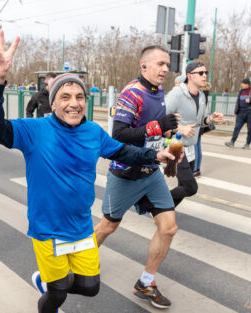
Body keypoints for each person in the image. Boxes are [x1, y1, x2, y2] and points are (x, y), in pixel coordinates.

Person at [0, 31, 180, 313]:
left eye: (79, 96)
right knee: (58, 291)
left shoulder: (92, 132)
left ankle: (47, 281)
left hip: (82, 227)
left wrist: (154, 154)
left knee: (90, 286)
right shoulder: (34, 130)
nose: (74, 103)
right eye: (65, 97)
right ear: (53, 102)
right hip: (49, 229)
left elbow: (122, 151)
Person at [93, 45, 181, 309]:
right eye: (160, 64)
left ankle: (146, 282)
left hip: (151, 171)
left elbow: (148, 132)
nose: (165, 69)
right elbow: (118, 134)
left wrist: (167, 136)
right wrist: (158, 126)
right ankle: (80, 259)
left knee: (169, 227)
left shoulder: (159, 90)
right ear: (144, 66)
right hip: (126, 173)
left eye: (167, 64)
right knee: (108, 227)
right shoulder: (132, 93)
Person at [165, 62, 224, 207]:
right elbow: (160, 119)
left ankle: (164, 212)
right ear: (190, 76)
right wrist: (179, 128)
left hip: (190, 147)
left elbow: (201, 121)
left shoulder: (202, 96)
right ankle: (157, 205)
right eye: (201, 73)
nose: (205, 76)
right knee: (191, 187)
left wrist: (211, 119)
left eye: (206, 73)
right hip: (175, 146)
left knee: (184, 186)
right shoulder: (177, 94)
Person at [225, 78, 251, 149]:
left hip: (250, 112)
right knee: (237, 127)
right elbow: (238, 102)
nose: (241, 85)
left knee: (249, 129)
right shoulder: (241, 91)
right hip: (240, 112)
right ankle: (232, 142)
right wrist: (236, 112)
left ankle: (247, 144)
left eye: (242, 83)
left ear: (247, 84)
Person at [193, 81, 213, 177]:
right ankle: (197, 169)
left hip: (197, 122)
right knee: (198, 146)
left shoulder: (200, 95)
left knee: (195, 147)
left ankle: (194, 169)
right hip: (201, 123)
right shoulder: (205, 94)